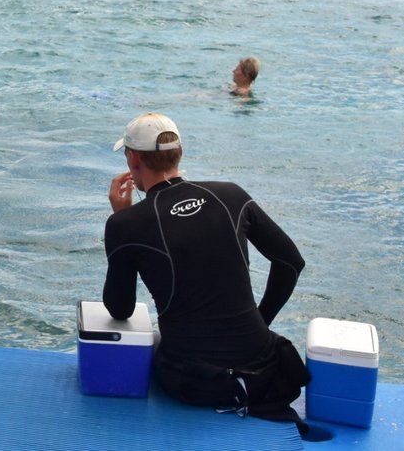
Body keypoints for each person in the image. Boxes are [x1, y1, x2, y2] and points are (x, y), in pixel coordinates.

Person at [103, 112, 309, 427]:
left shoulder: (125, 224)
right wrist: (259, 324)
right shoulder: (231, 195)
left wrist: (122, 220)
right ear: (180, 153)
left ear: (132, 161)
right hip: (265, 372)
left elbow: (120, 309)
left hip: (192, 382)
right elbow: (291, 262)